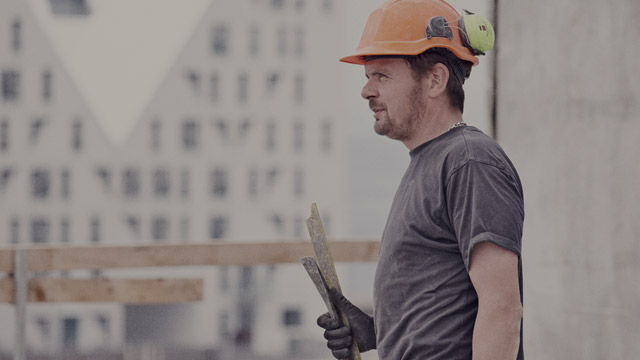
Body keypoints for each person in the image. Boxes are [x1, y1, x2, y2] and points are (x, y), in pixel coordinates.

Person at [316, 0, 525, 359]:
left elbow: (501, 307)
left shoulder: (470, 162)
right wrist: (378, 330)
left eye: (381, 76)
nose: (367, 91)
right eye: (368, 78)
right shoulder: (430, 162)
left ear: (435, 79)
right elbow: (443, 299)